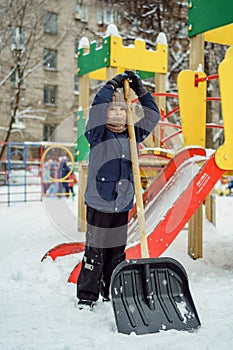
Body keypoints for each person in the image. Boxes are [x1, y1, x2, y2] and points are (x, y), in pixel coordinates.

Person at [76, 70, 160, 310]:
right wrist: (110, 86)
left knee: (116, 253)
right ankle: (87, 296)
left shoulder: (133, 135)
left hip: (122, 204)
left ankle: (110, 290)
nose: (118, 114)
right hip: (99, 204)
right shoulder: (97, 134)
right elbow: (97, 107)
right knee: (95, 253)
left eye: (122, 110)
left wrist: (140, 92)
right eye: (113, 110)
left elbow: (153, 115)